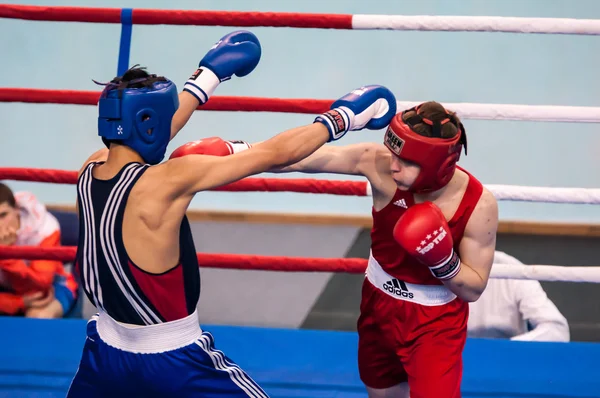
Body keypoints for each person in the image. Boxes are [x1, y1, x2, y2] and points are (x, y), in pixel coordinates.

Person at [66, 28, 397, 397]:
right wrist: (341, 118)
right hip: (172, 358)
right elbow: (274, 154)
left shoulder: (89, 169)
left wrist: (206, 78)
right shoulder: (169, 181)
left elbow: (150, 135)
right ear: (149, 123)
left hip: (105, 350)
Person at [178, 101, 499, 398]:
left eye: (406, 161)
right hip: (378, 303)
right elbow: (300, 159)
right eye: (393, 154)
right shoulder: (379, 163)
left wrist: (443, 261)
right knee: (381, 391)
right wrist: (236, 150)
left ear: (437, 167)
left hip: (434, 322)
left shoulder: (478, 205)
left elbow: (473, 289)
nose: (394, 166)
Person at [0, 183, 78, 318]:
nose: (0, 224)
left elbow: (39, 289)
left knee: (38, 316)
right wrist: (17, 303)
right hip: (7, 292)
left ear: (16, 209)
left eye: (3, 215)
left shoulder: (46, 229)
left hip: (51, 287)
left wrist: (7, 255)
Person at [468, 250, 569, 342]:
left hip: (509, 357)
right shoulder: (453, 274)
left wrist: (507, 349)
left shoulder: (511, 269)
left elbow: (557, 330)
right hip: (456, 354)